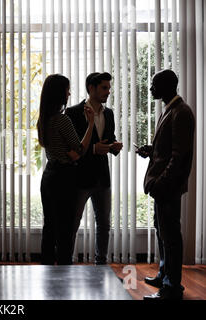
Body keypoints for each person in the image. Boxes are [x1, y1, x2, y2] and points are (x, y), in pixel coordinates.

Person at [137, 69, 194, 300]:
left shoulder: (181, 112)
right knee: (162, 233)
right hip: (163, 187)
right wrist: (151, 151)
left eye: (153, 84)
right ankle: (164, 275)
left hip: (168, 187)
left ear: (168, 86)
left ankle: (172, 288)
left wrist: (161, 183)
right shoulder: (169, 109)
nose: (150, 88)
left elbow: (179, 156)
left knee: (170, 238)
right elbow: (167, 150)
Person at [65, 72, 123, 265]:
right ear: (91, 88)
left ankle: (101, 265)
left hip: (102, 177)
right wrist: (93, 149)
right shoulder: (72, 113)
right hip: (80, 178)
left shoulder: (109, 113)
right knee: (72, 224)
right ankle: (66, 264)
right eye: (104, 87)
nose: (108, 91)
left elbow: (109, 138)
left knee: (104, 224)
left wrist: (115, 146)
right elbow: (71, 148)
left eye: (109, 88)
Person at [37, 74, 95, 265]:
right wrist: (91, 123)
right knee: (65, 229)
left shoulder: (43, 120)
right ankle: (63, 271)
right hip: (64, 177)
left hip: (49, 176)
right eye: (67, 89)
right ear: (59, 93)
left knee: (50, 226)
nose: (69, 93)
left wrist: (72, 153)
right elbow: (79, 150)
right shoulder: (63, 120)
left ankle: (46, 267)